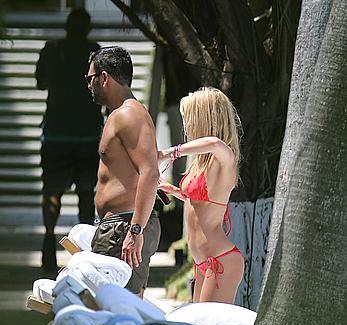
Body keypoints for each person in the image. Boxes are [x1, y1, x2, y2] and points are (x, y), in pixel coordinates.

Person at [158, 87, 244, 304]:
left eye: (190, 118)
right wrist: (174, 191)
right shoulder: (201, 162)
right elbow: (200, 202)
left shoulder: (226, 159)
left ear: (205, 119)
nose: (187, 125)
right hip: (202, 261)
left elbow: (215, 143)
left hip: (220, 260)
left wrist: (171, 152)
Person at [86, 46, 161, 298]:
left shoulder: (129, 114)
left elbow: (150, 173)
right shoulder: (122, 115)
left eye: (90, 78)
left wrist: (135, 230)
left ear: (104, 78)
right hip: (120, 226)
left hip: (125, 227)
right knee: (116, 311)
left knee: (118, 312)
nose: (89, 86)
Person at [35, 8, 103, 272]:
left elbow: (40, 82)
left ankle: (48, 244)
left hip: (56, 132)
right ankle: (82, 252)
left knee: (52, 189)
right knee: (86, 193)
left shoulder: (52, 50)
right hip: (87, 133)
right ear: (87, 28)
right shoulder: (95, 52)